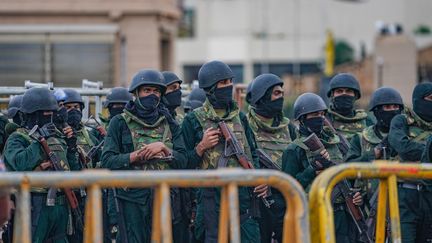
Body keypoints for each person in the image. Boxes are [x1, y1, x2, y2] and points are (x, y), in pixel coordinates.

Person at [181, 60, 265, 243]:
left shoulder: (240, 118)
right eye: (223, 83)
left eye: (229, 82)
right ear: (210, 88)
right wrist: (201, 147)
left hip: (243, 198)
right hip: (210, 200)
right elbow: (181, 163)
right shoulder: (193, 120)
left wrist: (259, 179)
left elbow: (254, 152)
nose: (228, 87)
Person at [102, 69, 187, 243]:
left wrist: (165, 150)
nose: (152, 95)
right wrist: (136, 156)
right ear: (136, 93)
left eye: (156, 91)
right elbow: (107, 160)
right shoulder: (120, 122)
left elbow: (184, 160)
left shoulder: (170, 122)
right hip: (131, 200)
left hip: (163, 196)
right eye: (147, 90)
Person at [282, 93, 363, 243]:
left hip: (342, 214)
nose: (319, 118)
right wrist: (312, 168)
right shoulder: (294, 150)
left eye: (321, 114)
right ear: (302, 119)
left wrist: (358, 194)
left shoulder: (337, 144)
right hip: (313, 215)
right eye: (314, 114)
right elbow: (288, 189)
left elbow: (350, 174)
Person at [3, 87, 79, 243]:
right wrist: (39, 142)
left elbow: (73, 172)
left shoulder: (57, 137)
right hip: (34, 203)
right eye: (45, 114)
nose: (49, 118)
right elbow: (18, 164)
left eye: (51, 113)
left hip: (61, 204)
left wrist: (71, 148)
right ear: (32, 115)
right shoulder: (18, 138)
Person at [246, 73, 297, 243]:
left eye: (282, 94)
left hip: (284, 199)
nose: (281, 97)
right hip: (256, 202)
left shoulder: (288, 128)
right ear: (262, 95)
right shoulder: (245, 125)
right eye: (276, 93)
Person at [388, 82, 432, 243]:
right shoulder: (401, 121)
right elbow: (402, 147)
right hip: (406, 195)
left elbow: (408, 150)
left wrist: (417, 153)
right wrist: (428, 152)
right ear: (418, 99)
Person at [346, 87, 404, 162]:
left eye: (396, 107)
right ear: (376, 111)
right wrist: (373, 155)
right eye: (387, 107)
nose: (392, 110)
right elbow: (348, 166)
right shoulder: (360, 138)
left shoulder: (409, 136)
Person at [326, 73, 374, 140]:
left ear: (355, 96)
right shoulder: (325, 119)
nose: (344, 94)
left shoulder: (366, 121)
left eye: (349, 91)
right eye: (339, 91)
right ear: (332, 95)